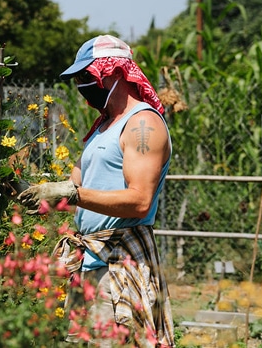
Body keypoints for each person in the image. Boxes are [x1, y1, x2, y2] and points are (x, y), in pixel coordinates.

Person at [18, 35, 174, 347]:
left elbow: (140, 201)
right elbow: (72, 187)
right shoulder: (102, 127)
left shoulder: (142, 124)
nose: (81, 86)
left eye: (86, 76)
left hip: (119, 265)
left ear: (115, 72)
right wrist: (25, 187)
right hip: (88, 260)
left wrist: (72, 194)